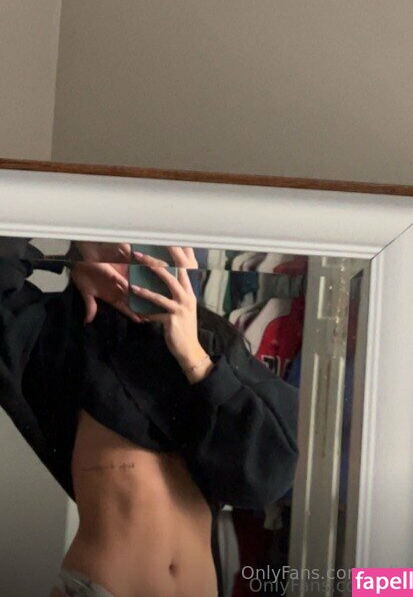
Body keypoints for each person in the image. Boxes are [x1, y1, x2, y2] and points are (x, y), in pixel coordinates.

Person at [0, 237, 300, 597]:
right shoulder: (59, 331)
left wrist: (194, 358)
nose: (135, 257)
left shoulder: (214, 345)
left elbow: (268, 475)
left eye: (152, 247)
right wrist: (73, 254)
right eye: (118, 245)